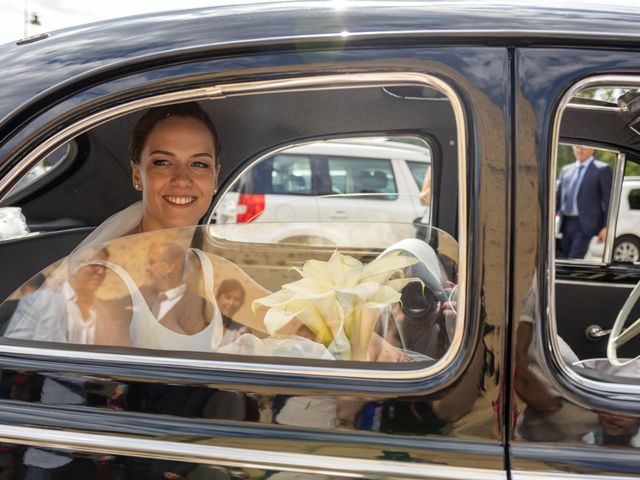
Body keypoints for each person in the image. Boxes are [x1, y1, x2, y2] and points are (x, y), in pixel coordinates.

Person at [4, 249, 109, 344]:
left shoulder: (104, 311)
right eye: (94, 264)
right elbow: (14, 350)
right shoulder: (39, 302)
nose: (101, 271)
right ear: (73, 267)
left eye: (105, 266)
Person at [556, 145, 612, 259]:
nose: (579, 150)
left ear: (593, 149)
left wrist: (607, 226)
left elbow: (608, 200)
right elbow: (557, 198)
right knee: (564, 258)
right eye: (577, 147)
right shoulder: (566, 170)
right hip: (566, 223)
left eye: (583, 147)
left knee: (574, 258)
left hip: (585, 225)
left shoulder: (602, 169)